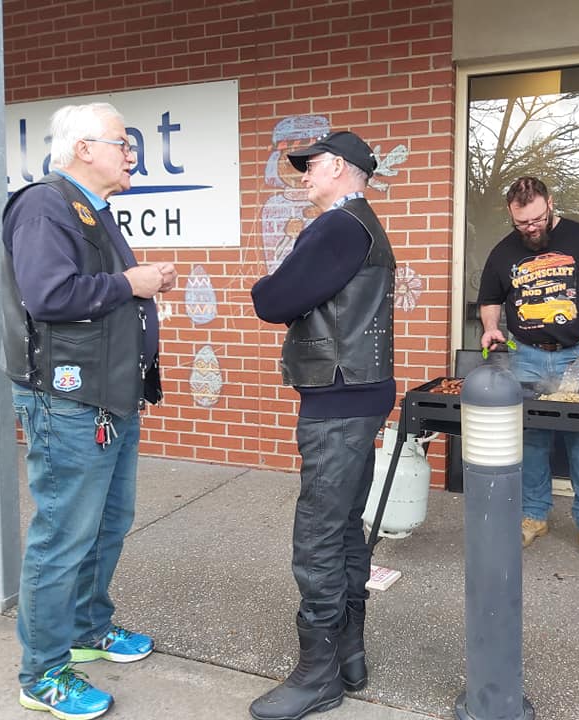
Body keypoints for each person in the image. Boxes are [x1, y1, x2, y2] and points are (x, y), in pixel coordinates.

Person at [1, 102, 178, 720]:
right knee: (63, 536)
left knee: (105, 524)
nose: (132, 156)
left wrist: (138, 283)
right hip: (67, 400)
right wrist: (133, 283)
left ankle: (87, 630)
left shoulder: (90, 211)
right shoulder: (44, 205)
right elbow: (48, 294)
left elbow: (89, 291)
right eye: (123, 144)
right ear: (83, 149)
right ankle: (44, 672)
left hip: (108, 395)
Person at [249, 131, 396, 720]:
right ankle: (349, 653)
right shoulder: (362, 223)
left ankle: (317, 675)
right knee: (342, 531)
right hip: (358, 391)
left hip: (338, 398)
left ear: (339, 166)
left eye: (310, 166)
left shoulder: (338, 226)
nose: (303, 175)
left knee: (317, 535)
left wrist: (266, 286)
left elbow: (273, 298)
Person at [477, 176, 579, 566]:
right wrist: (491, 327)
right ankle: (534, 515)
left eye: (538, 219)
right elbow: (490, 298)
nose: (532, 228)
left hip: (576, 354)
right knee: (533, 437)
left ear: (550, 204)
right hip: (524, 354)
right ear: (512, 215)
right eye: (522, 223)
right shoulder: (504, 252)